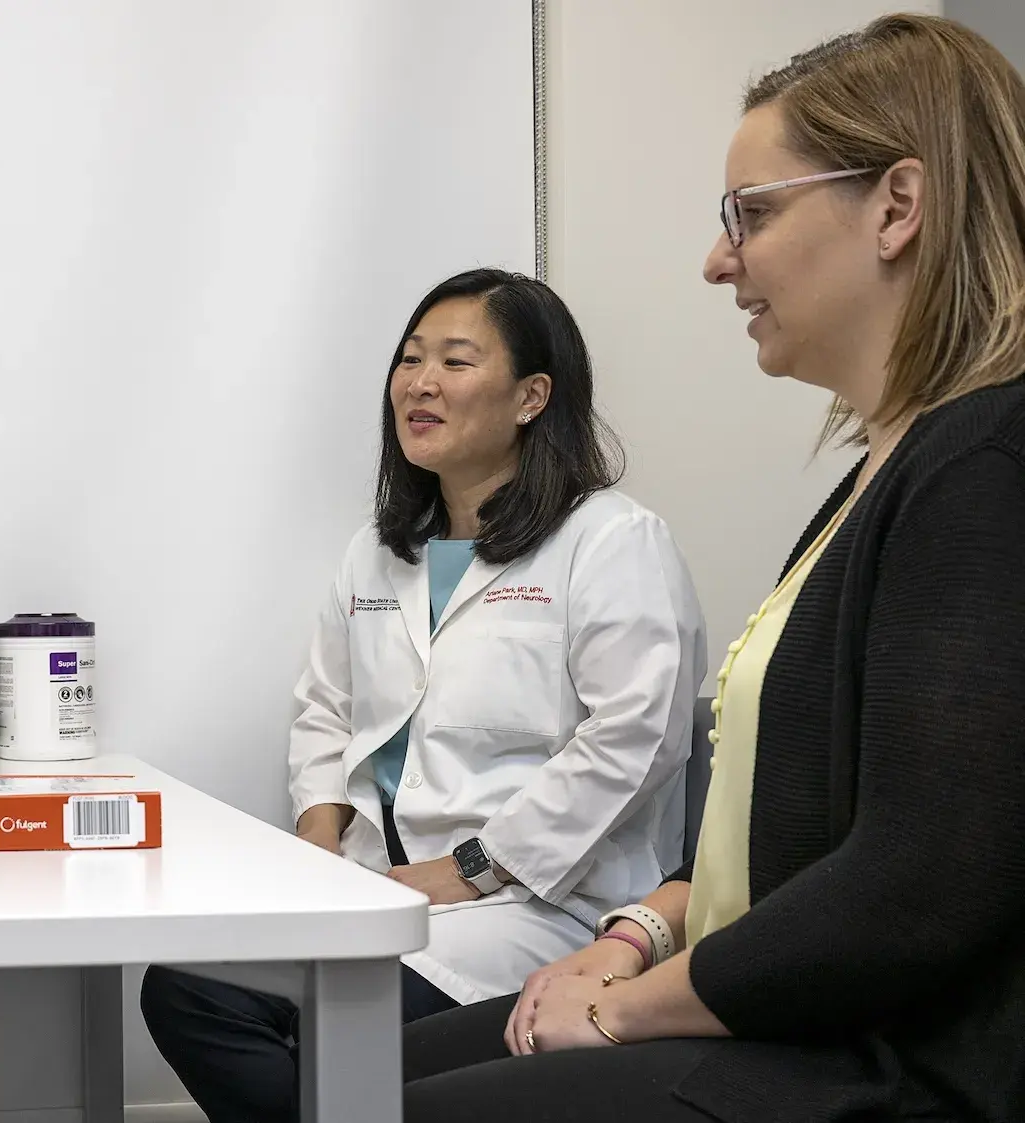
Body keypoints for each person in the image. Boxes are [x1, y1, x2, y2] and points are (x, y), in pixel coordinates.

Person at [399, 14, 1025, 1123]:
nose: (716, 259)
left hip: (877, 1063)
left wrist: (631, 1006)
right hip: (762, 994)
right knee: (361, 1067)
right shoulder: (884, 469)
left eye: (751, 213)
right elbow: (780, 827)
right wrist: (639, 933)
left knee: (405, 1099)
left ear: (895, 205)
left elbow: (913, 883)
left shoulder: (981, 466)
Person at [141, 268, 707, 1122]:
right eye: (410, 359)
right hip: (381, 886)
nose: (420, 382)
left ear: (531, 397)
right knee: (188, 987)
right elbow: (325, 710)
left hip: (540, 903)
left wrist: (464, 872)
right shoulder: (379, 550)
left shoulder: (609, 540)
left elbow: (633, 739)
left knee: (312, 1030)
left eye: (454, 359)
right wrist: (318, 850)